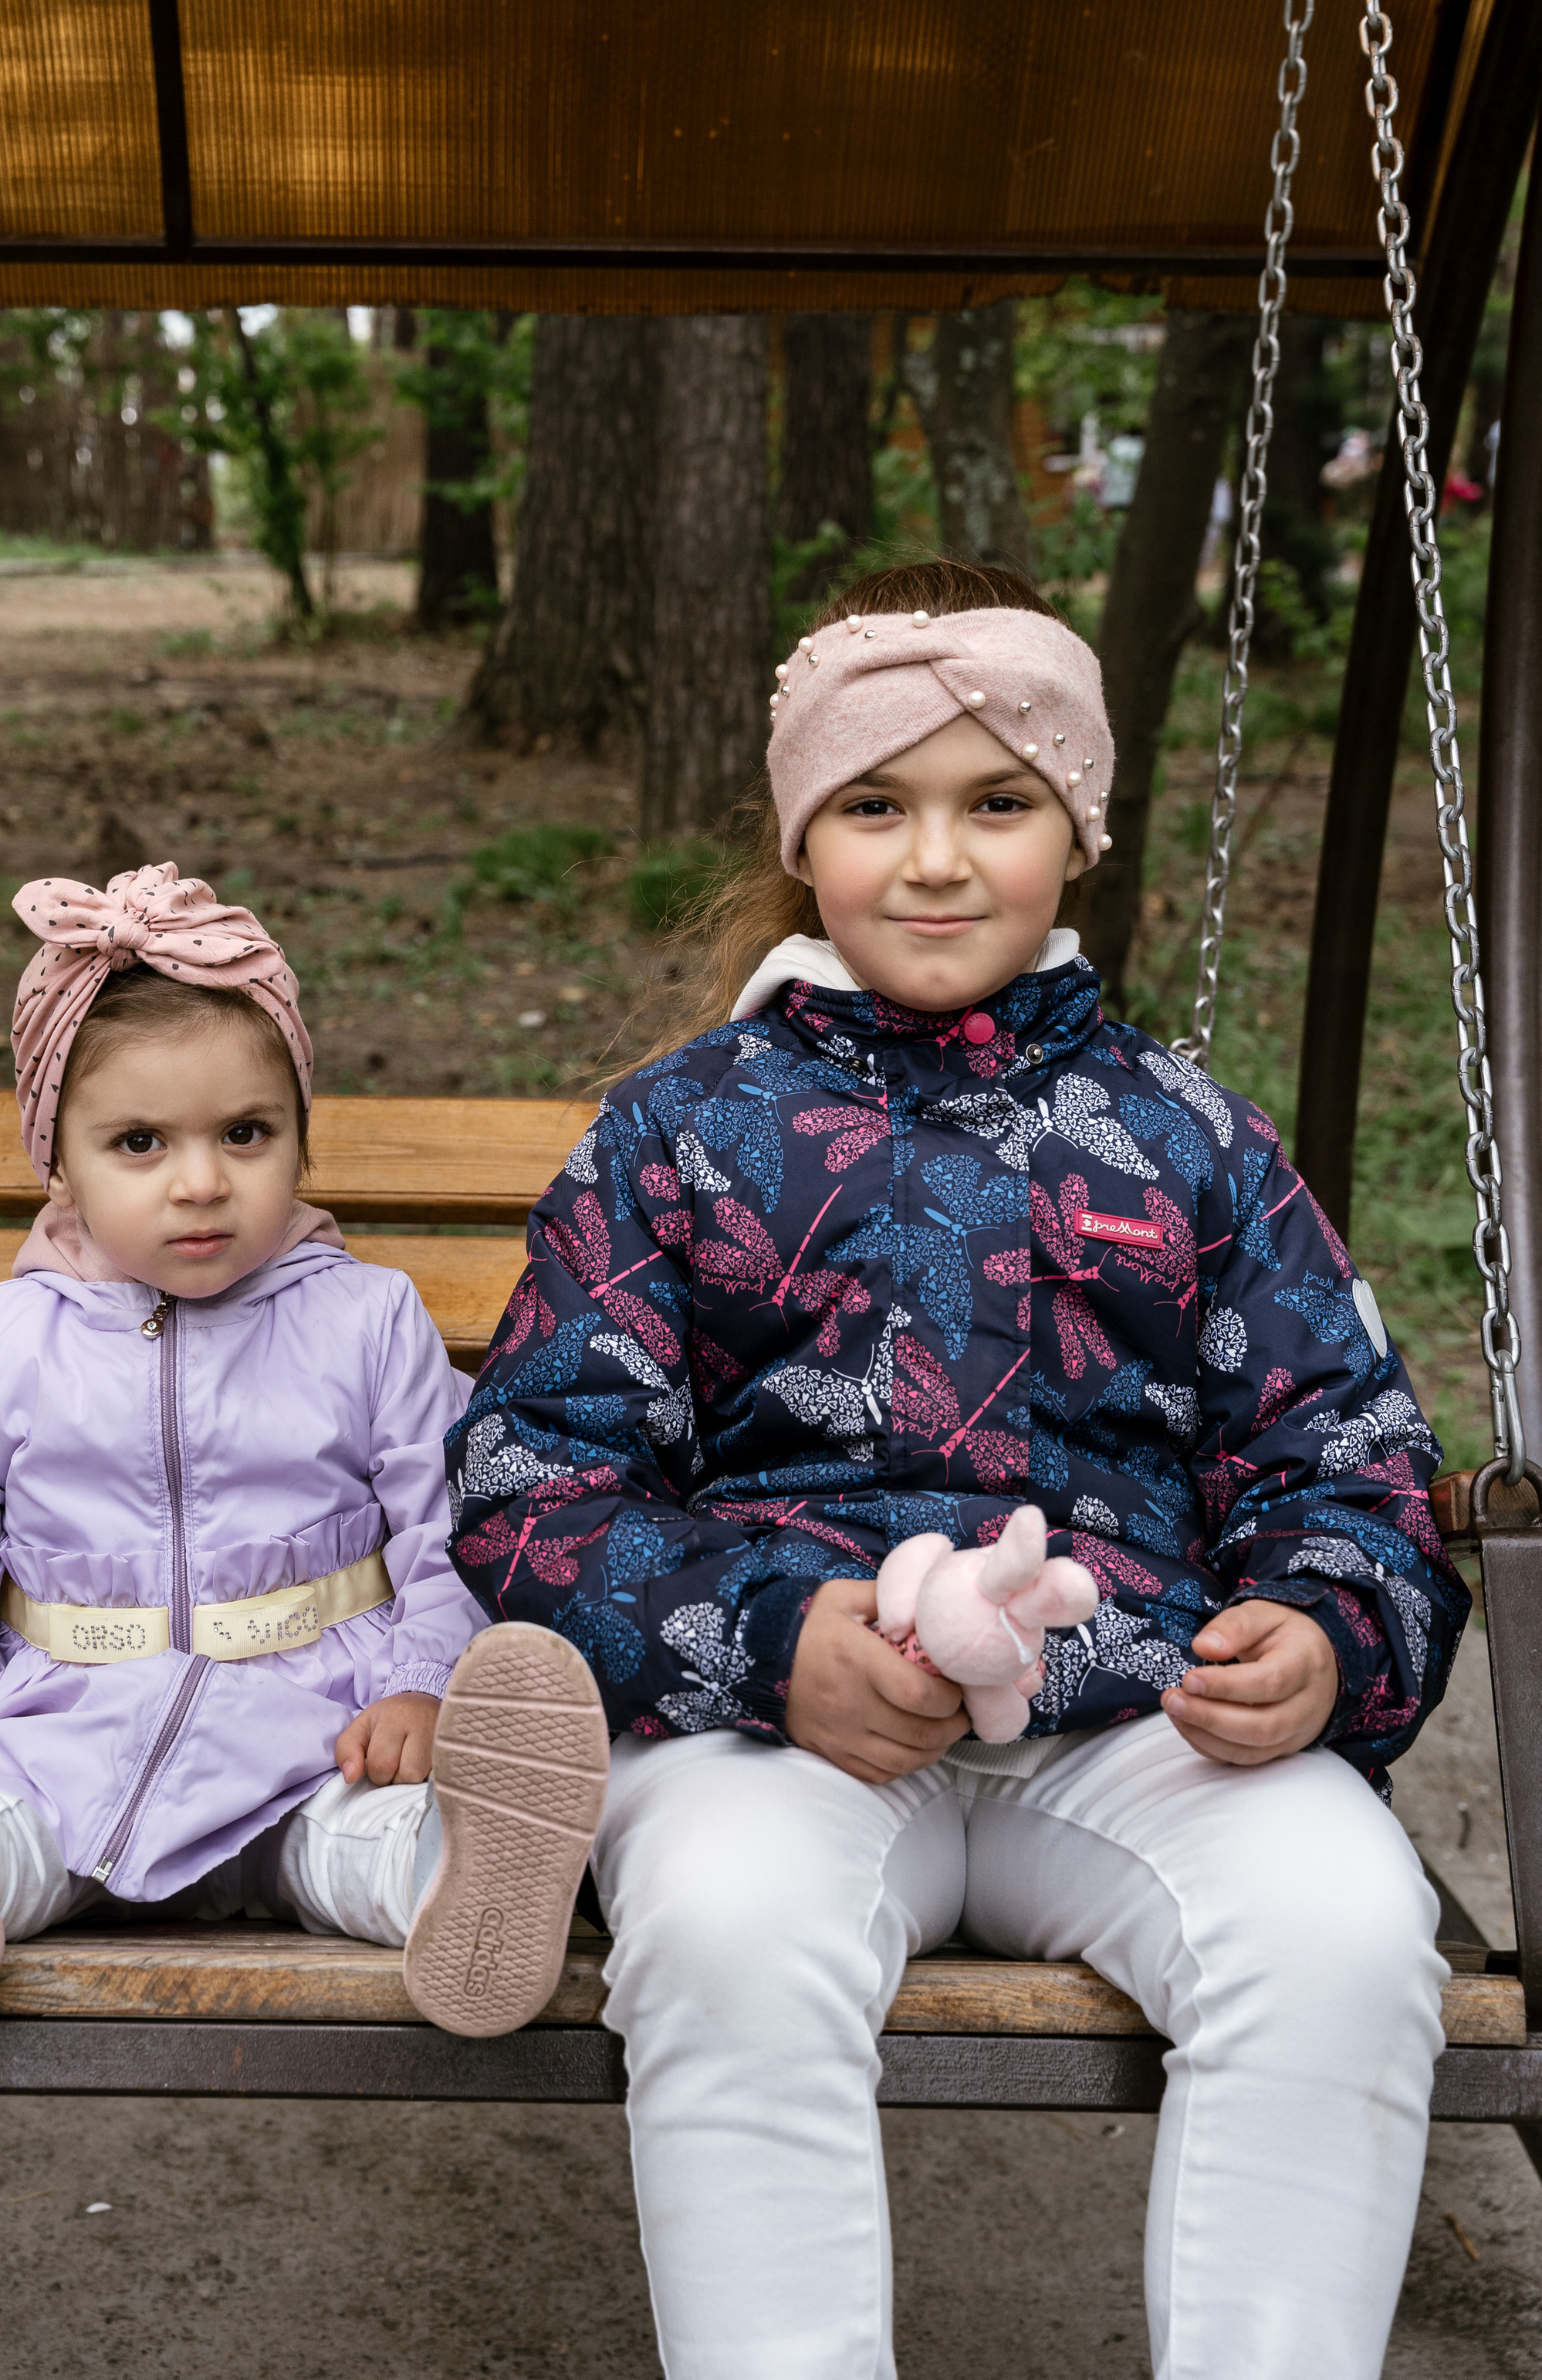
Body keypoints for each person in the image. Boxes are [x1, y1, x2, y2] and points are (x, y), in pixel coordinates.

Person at [447, 558, 1468, 2380]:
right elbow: (535, 1476)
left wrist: (1318, 1627)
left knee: (1340, 1931)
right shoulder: (682, 1132)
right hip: (796, 1720)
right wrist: (767, 1641)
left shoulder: (1185, 1140)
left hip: (1140, 1720)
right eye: (874, 805)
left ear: (1073, 828)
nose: (933, 860)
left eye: (993, 802)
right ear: (800, 840)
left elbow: (1348, 1455)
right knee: (729, 1930)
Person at [0, 864, 608, 2033]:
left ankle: (467, 1886)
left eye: (247, 1134)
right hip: (63, 1747)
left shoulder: (366, 1323)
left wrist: (426, 1682)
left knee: (371, 1846)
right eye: (141, 1143)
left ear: (300, 1137)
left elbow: (454, 1521)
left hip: (316, 1741)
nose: (202, 1182)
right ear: (56, 1156)